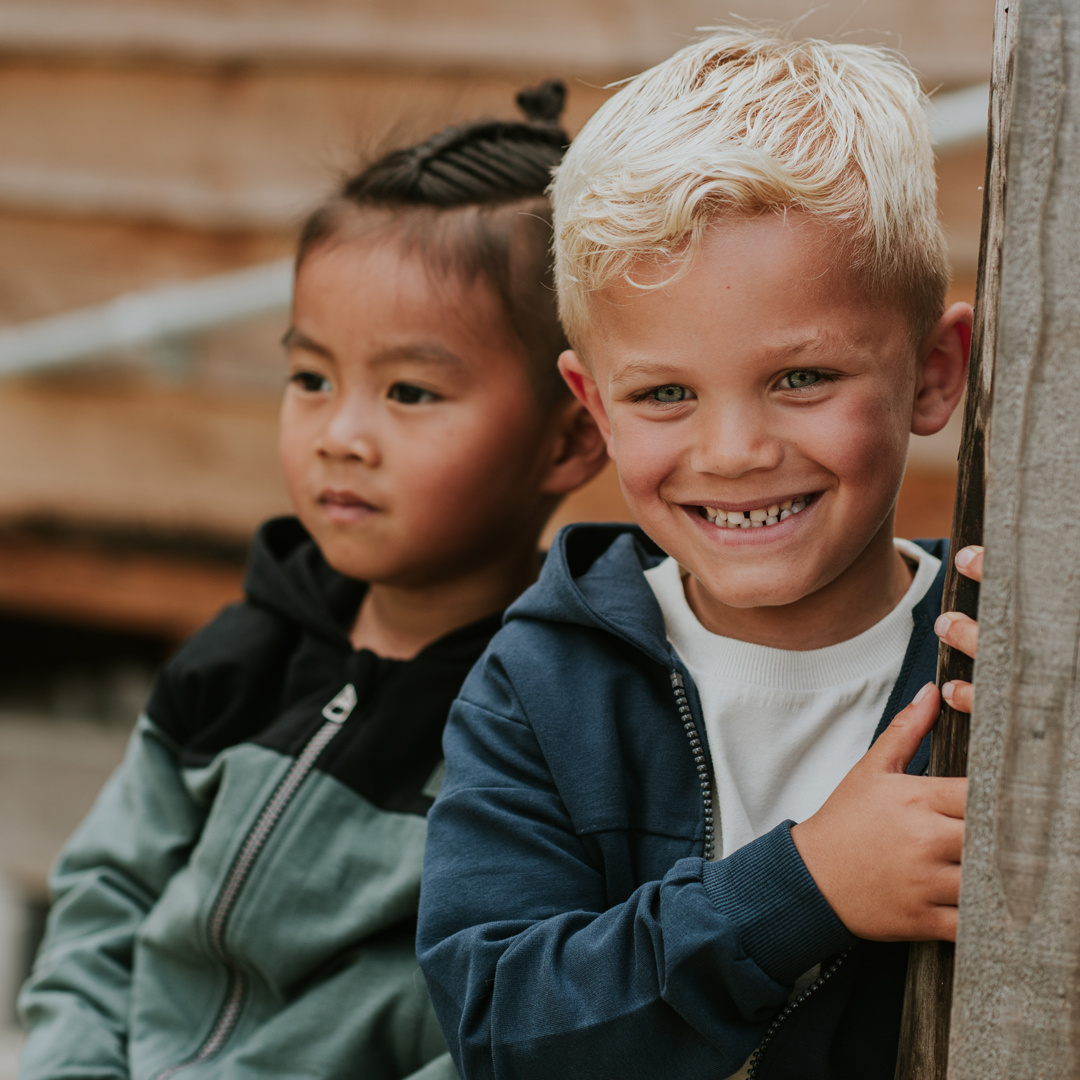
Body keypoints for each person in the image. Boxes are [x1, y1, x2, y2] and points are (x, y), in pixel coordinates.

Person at [417, 30, 983, 1080]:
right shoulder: (542, 684)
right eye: (665, 393)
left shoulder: (994, 656)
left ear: (935, 373)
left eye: (802, 378)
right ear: (596, 407)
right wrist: (806, 890)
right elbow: (503, 1032)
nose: (734, 452)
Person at [17, 82, 606, 1080]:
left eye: (409, 391)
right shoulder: (245, 655)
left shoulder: (553, 723)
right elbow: (106, 894)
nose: (341, 436)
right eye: (311, 379)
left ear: (569, 439)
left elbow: (513, 1029)